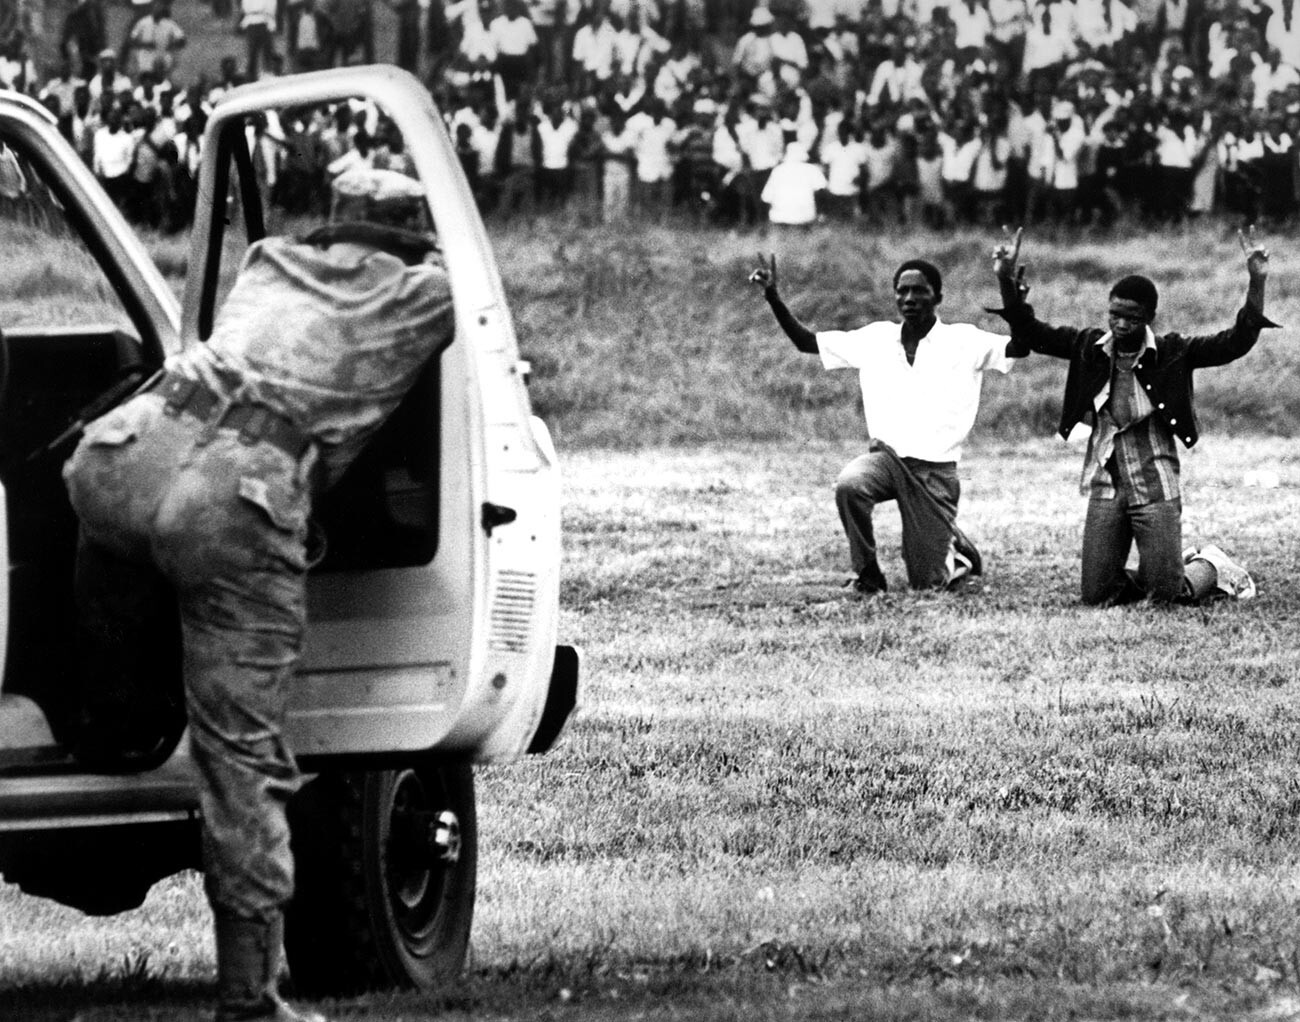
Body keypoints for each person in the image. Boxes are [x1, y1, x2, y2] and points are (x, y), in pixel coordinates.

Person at [61, 167, 455, 1021]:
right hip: (235, 496)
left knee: (122, 546)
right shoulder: (425, 295)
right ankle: (251, 998)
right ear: (413, 234)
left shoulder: (270, 262)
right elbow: (483, 324)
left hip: (123, 451)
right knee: (242, 761)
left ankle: (114, 710)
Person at [990, 225, 1275, 605]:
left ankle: (1209, 565)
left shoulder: (1174, 352)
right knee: (1097, 595)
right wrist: (1005, 280)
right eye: (1115, 315)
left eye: (1133, 318)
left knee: (1166, 597)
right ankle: (1164, 567)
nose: (1121, 325)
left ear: (1150, 318)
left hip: (1154, 483)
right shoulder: (1089, 347)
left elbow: (1235, 342)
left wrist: (1257, 282)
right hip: (1107, 483)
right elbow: (1031, 332)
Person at [748, 253, 1022, 594]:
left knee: (928, 585)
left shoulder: (965, 341)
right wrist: (773, 296)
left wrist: (1007, 285)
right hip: (886, 460)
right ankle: (866, 576)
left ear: (938, 297)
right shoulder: (875, 339)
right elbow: (806, 342)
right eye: (902, 291)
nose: (909, 299)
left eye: (919, 291)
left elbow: (1019, 347)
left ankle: (956, 552)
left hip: (934, 471)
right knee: (850, 485)